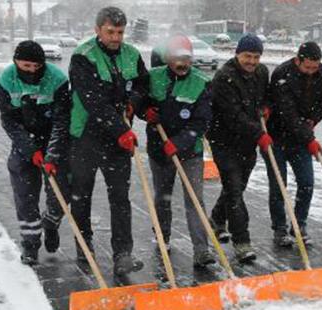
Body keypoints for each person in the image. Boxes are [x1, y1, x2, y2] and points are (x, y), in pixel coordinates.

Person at [68, 6, 150, 281]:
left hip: (118, 140)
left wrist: (134, 104)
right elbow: (93, 101)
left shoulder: (132, 55)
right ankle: (83, 244)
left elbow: (142, 85)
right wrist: (119, 129)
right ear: (97, 30)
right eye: (110, 32)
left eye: (120, 32)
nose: (116, 38)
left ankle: (122, 254)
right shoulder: (83, 57)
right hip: (86, 136)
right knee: (82, 194)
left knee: (120, 197)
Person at [0, 41, 71, 265]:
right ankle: (30, 244)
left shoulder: (57, 79)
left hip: (53, 140)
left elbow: (62, 120)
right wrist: (30, 150)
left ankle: (51, 223)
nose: (31, 70)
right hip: (24, 143)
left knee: (61, 193)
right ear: (16, 62)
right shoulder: (7, 79)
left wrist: (52, 154)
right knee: (25, 195)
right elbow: (8, 119)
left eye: (36, 66)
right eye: (26, 66)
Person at [145, 35, 215, 268]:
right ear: (168, 58)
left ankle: (201, 249)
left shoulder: (201, 82)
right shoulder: (153, 78)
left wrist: (181, 141)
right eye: (177, 58)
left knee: (194, 200)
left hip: (190, 152)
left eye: (187, 58)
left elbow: (202, 121)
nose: (183, 63)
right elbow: (137, 101)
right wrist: (145, 111)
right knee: (162, 197)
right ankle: (162, 238)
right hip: (159, 149)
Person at [207, 33, 270, 263]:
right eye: (247, 56)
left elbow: (265, 97)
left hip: (247, 141)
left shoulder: (262, 73)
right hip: (223, 139)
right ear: (237, 54)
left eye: (256, 57)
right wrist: (260, 134)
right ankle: (242, 241)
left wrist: (265, 106)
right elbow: (233, 115)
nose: (252, 62)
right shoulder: (225, 77)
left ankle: (216, 218)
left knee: (237, 187)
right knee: (234, 190)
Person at [265, 41, 322, 247]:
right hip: (277, 137)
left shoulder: (321, 72)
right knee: (279, 185)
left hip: (301, 138)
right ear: (297, 60)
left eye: (315, 67)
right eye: (307, 67)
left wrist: (313, 120)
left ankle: (299, 224)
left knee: (307, 182)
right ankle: (280, 229)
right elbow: (288, 114)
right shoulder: (282, 74)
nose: (312, 72)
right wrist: (309, 137)